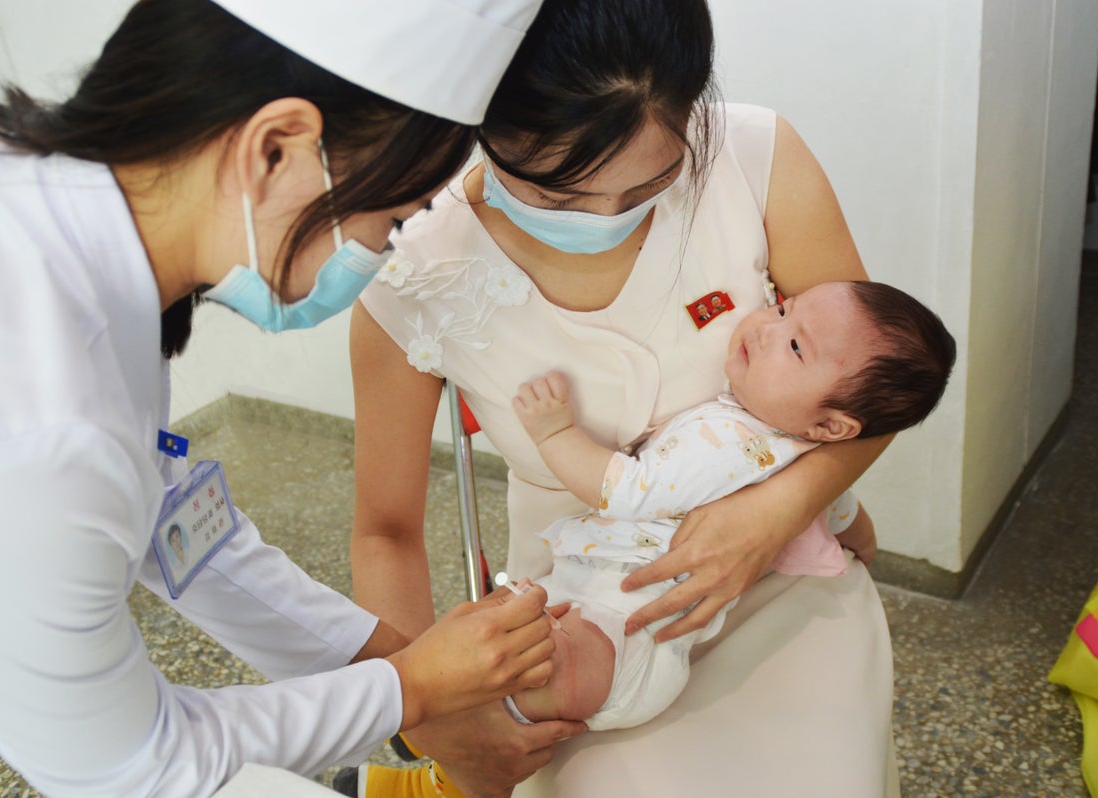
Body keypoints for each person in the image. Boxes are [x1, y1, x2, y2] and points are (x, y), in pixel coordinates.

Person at [0, 0, 557, 796]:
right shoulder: (46, 420)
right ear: (276, 148)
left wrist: (408, 676)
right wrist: (410, 692)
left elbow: (180, 529)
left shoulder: (66, 221)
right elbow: (124, 765)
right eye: (388, 224)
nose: (381, 260)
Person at [348, 0, 905, 794]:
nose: (609, 216)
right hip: (584, 611)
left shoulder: (755, 157)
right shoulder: (415, 273)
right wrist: (435, 719)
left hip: (779, 565)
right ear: (477, 124)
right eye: (561, 197)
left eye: (653, 181)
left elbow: (874, 387)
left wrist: (770, 518)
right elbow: (386, 532)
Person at [504, 280, 955, 732]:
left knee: (544, 665)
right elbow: (845, 516)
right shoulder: (800, 458)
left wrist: (554, 434)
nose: (764, 330)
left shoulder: (729, 444)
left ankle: (515, 709)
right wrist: (865, 546)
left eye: (796, 347)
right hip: (616, 607)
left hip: (624, 623)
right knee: (513, 642)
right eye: (782, 311)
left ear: (832, 425)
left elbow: (626, 491)